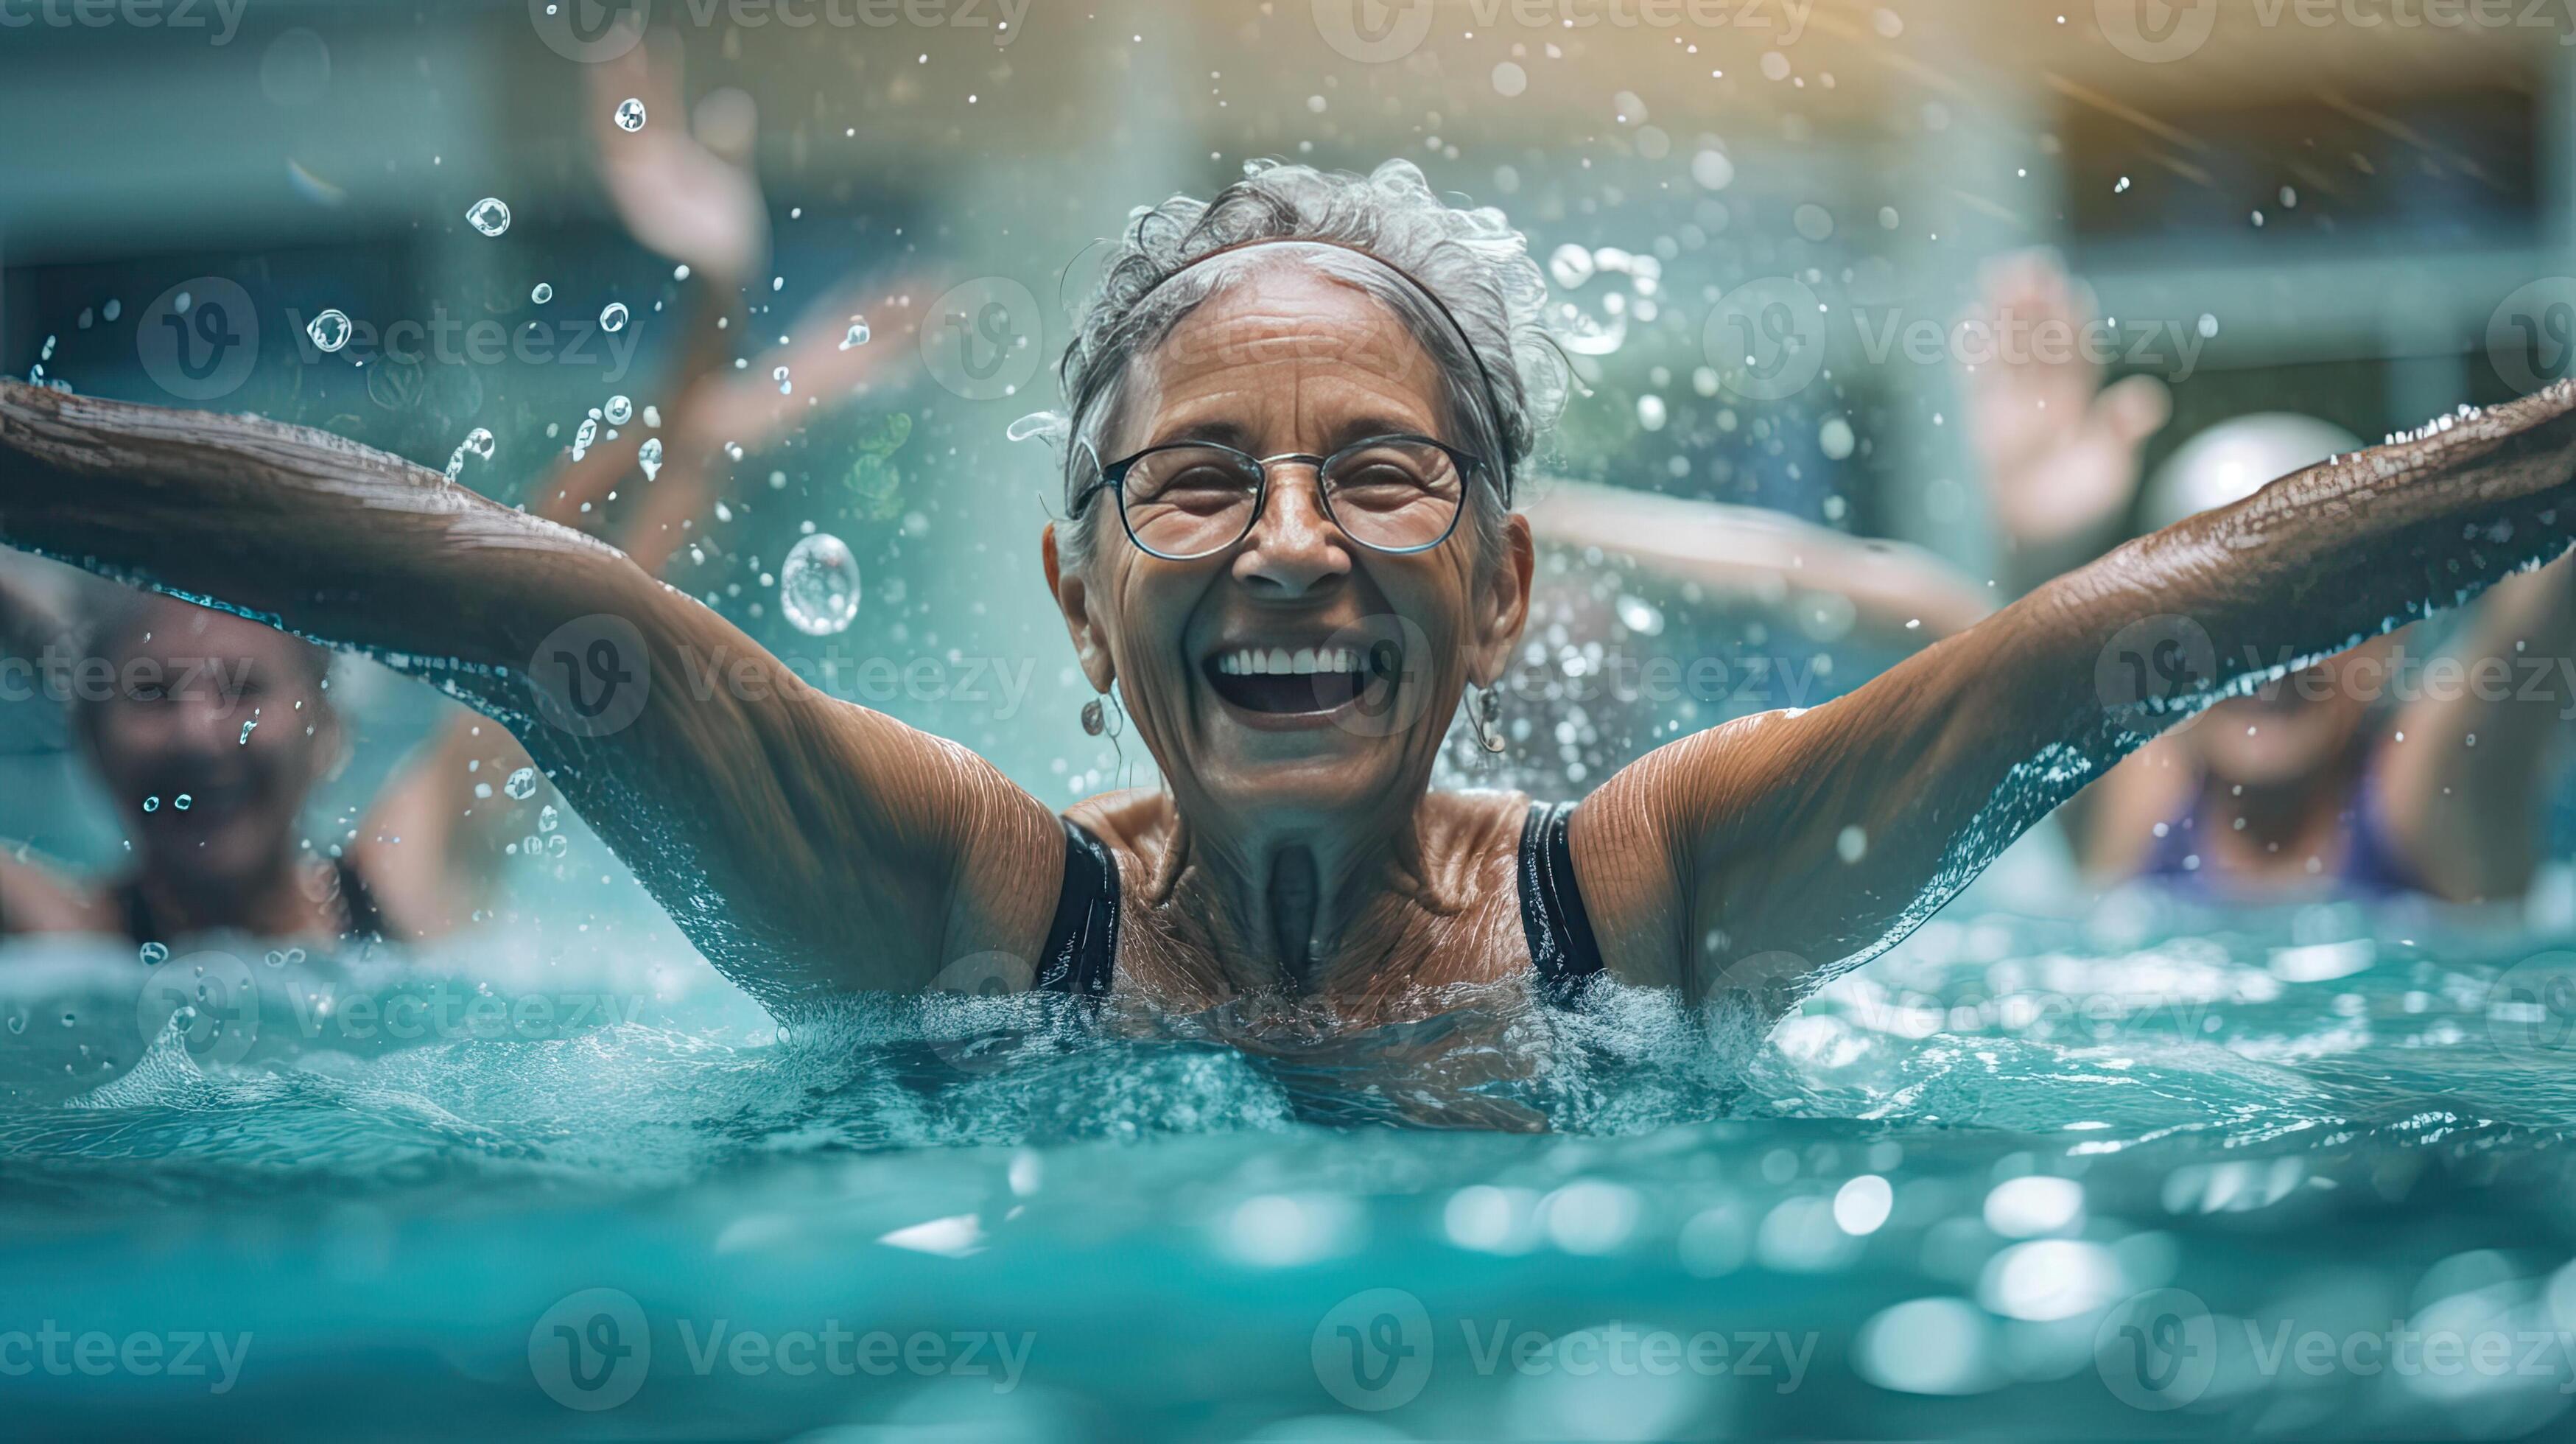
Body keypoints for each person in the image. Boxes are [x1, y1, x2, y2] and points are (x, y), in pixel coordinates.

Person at [4, 159, 2575, 1028]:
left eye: (1376, 477)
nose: (1295, 541)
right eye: (1198, 485)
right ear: (1079, 594)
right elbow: (505, 597)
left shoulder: (1644, 899)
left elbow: (2122, 632)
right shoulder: (963, 912)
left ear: (1497, 580)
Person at [1965, 251, 2576, 903]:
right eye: (2222, 621)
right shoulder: (2138, 801)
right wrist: (2033, 554)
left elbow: (2533, 625)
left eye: (2316, 619)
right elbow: (2036, 686)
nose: (2267, 663)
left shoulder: (2428, 799)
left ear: (2389, 638)